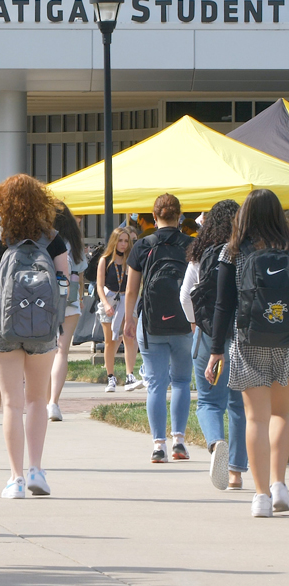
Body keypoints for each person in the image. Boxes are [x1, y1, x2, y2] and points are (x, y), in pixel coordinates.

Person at [0, 174, 69, 499]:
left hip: (3, 327)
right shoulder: (53, 239)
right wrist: (56, 322)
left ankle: (15, 479)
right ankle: (37, 470)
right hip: (42, 329)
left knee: (12, 403)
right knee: (37, 400)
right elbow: (65, 284)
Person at [205, 189, 289, 517]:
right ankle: (280, 484)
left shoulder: (232, 251)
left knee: (256, 417)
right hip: (286, 340)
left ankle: (261, 496)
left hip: (248, 341)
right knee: (282, 415)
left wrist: (215, 351)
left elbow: (223, 304)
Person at [179, 199, 247, 490]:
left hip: (208, 334)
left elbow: (185, 296)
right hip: (242, 335)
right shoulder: (245, 251)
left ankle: (215, 442)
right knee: (239, 406)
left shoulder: (199, 254)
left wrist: (196, 323)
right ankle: (235, 473)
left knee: (208, 401)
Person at [124, 194, 193, 463]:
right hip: (184, 322)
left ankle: (158, 446)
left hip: (151, 324)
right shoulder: (191, 245)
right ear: (179, 217)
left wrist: (129, 319)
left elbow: (131, 290)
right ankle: (179, 442)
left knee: (155, 384)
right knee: (182, 382)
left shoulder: (143, 245)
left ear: (154, 217)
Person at [47, 202, 89, 420]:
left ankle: (43, 400)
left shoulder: (45, 240)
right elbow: (80, 274)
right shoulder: (74, 243)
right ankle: (54, 402)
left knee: (44, 351)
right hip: (70, 299)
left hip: (43, 300)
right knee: (62, 352)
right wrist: (80, 296)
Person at [96, 228, 142, 393]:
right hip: (110, 300)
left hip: (128, 300)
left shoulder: (131, 259)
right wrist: (106, 304)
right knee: (111, 341)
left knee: (130, 337)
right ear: (114, 241)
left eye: (126, 241)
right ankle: (110, 376)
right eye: (120, 241)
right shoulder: (105, 259)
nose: (123, 244)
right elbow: (99, 286)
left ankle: (130, 375)